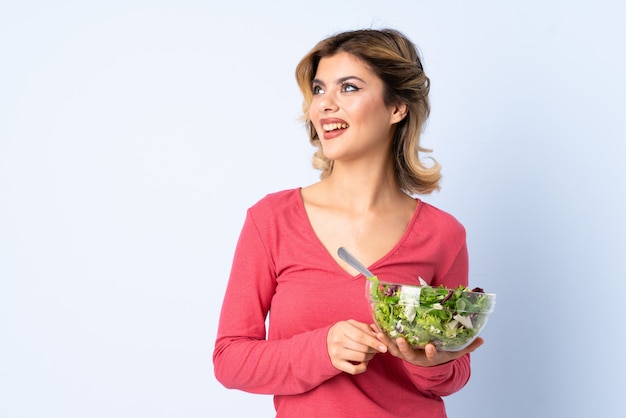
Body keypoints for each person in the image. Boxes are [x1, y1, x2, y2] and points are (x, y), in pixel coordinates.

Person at [213, 28, 484, 417]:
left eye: (349, 88)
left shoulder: (443, 234)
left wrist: (433, 363)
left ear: (396, 108)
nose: (324, 105)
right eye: (320, 90)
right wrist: (322, 349)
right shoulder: (271, 220)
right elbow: (230, 360)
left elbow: (455, 371)